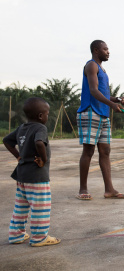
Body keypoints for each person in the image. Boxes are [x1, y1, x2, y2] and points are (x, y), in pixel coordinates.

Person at [3, 97, 61, 246]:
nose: (48, 117)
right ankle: (39, 237)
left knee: (21, 206)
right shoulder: (40, 128)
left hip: (21, 175)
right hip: (37, 176)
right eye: (47, 114)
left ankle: (16, 235)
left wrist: (18, 156)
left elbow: (7, 141)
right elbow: (39, 142)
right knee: (40, 207)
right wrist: (43, 159)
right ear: (41, 116)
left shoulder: (22, 127)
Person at [76, 40, 124, 200]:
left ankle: (109, 190)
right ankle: (83, 189)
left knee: (105, 151)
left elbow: (103, 94)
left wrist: (117, 99)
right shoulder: (91, 65)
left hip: (103, 113)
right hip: (90, 111)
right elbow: (93, 90)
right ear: (96, 50)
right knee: (89, 150)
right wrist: (112, 104)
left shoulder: (102, 70)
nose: (108, 52)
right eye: (105, 49)